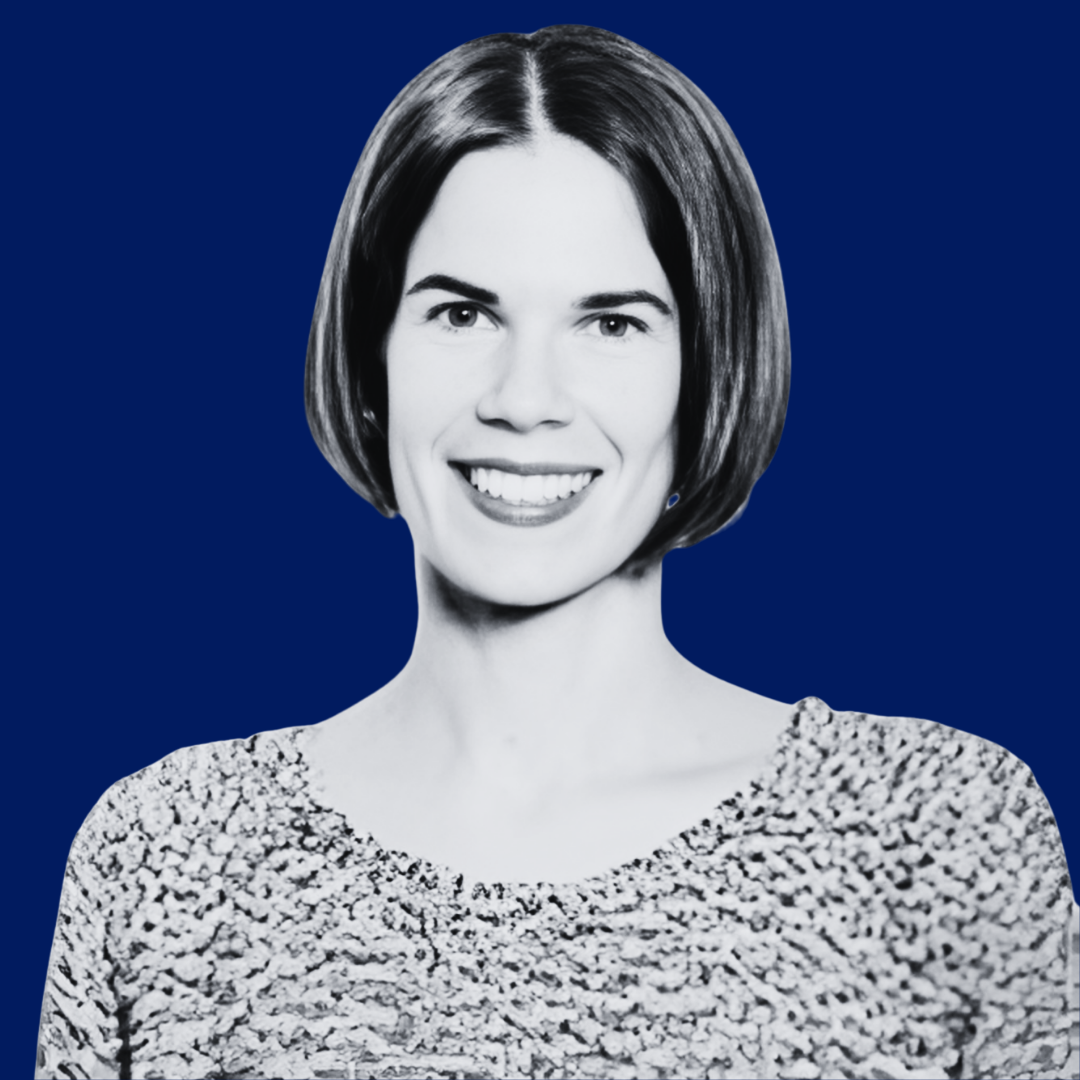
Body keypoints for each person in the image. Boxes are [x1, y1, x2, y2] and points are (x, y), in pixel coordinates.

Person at [36, 25, 1075, 1080]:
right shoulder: (170, 858)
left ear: (707, 371)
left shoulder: (936, 834)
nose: (524, 400)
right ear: (369, 359)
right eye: (461, 312)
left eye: (612, 324)